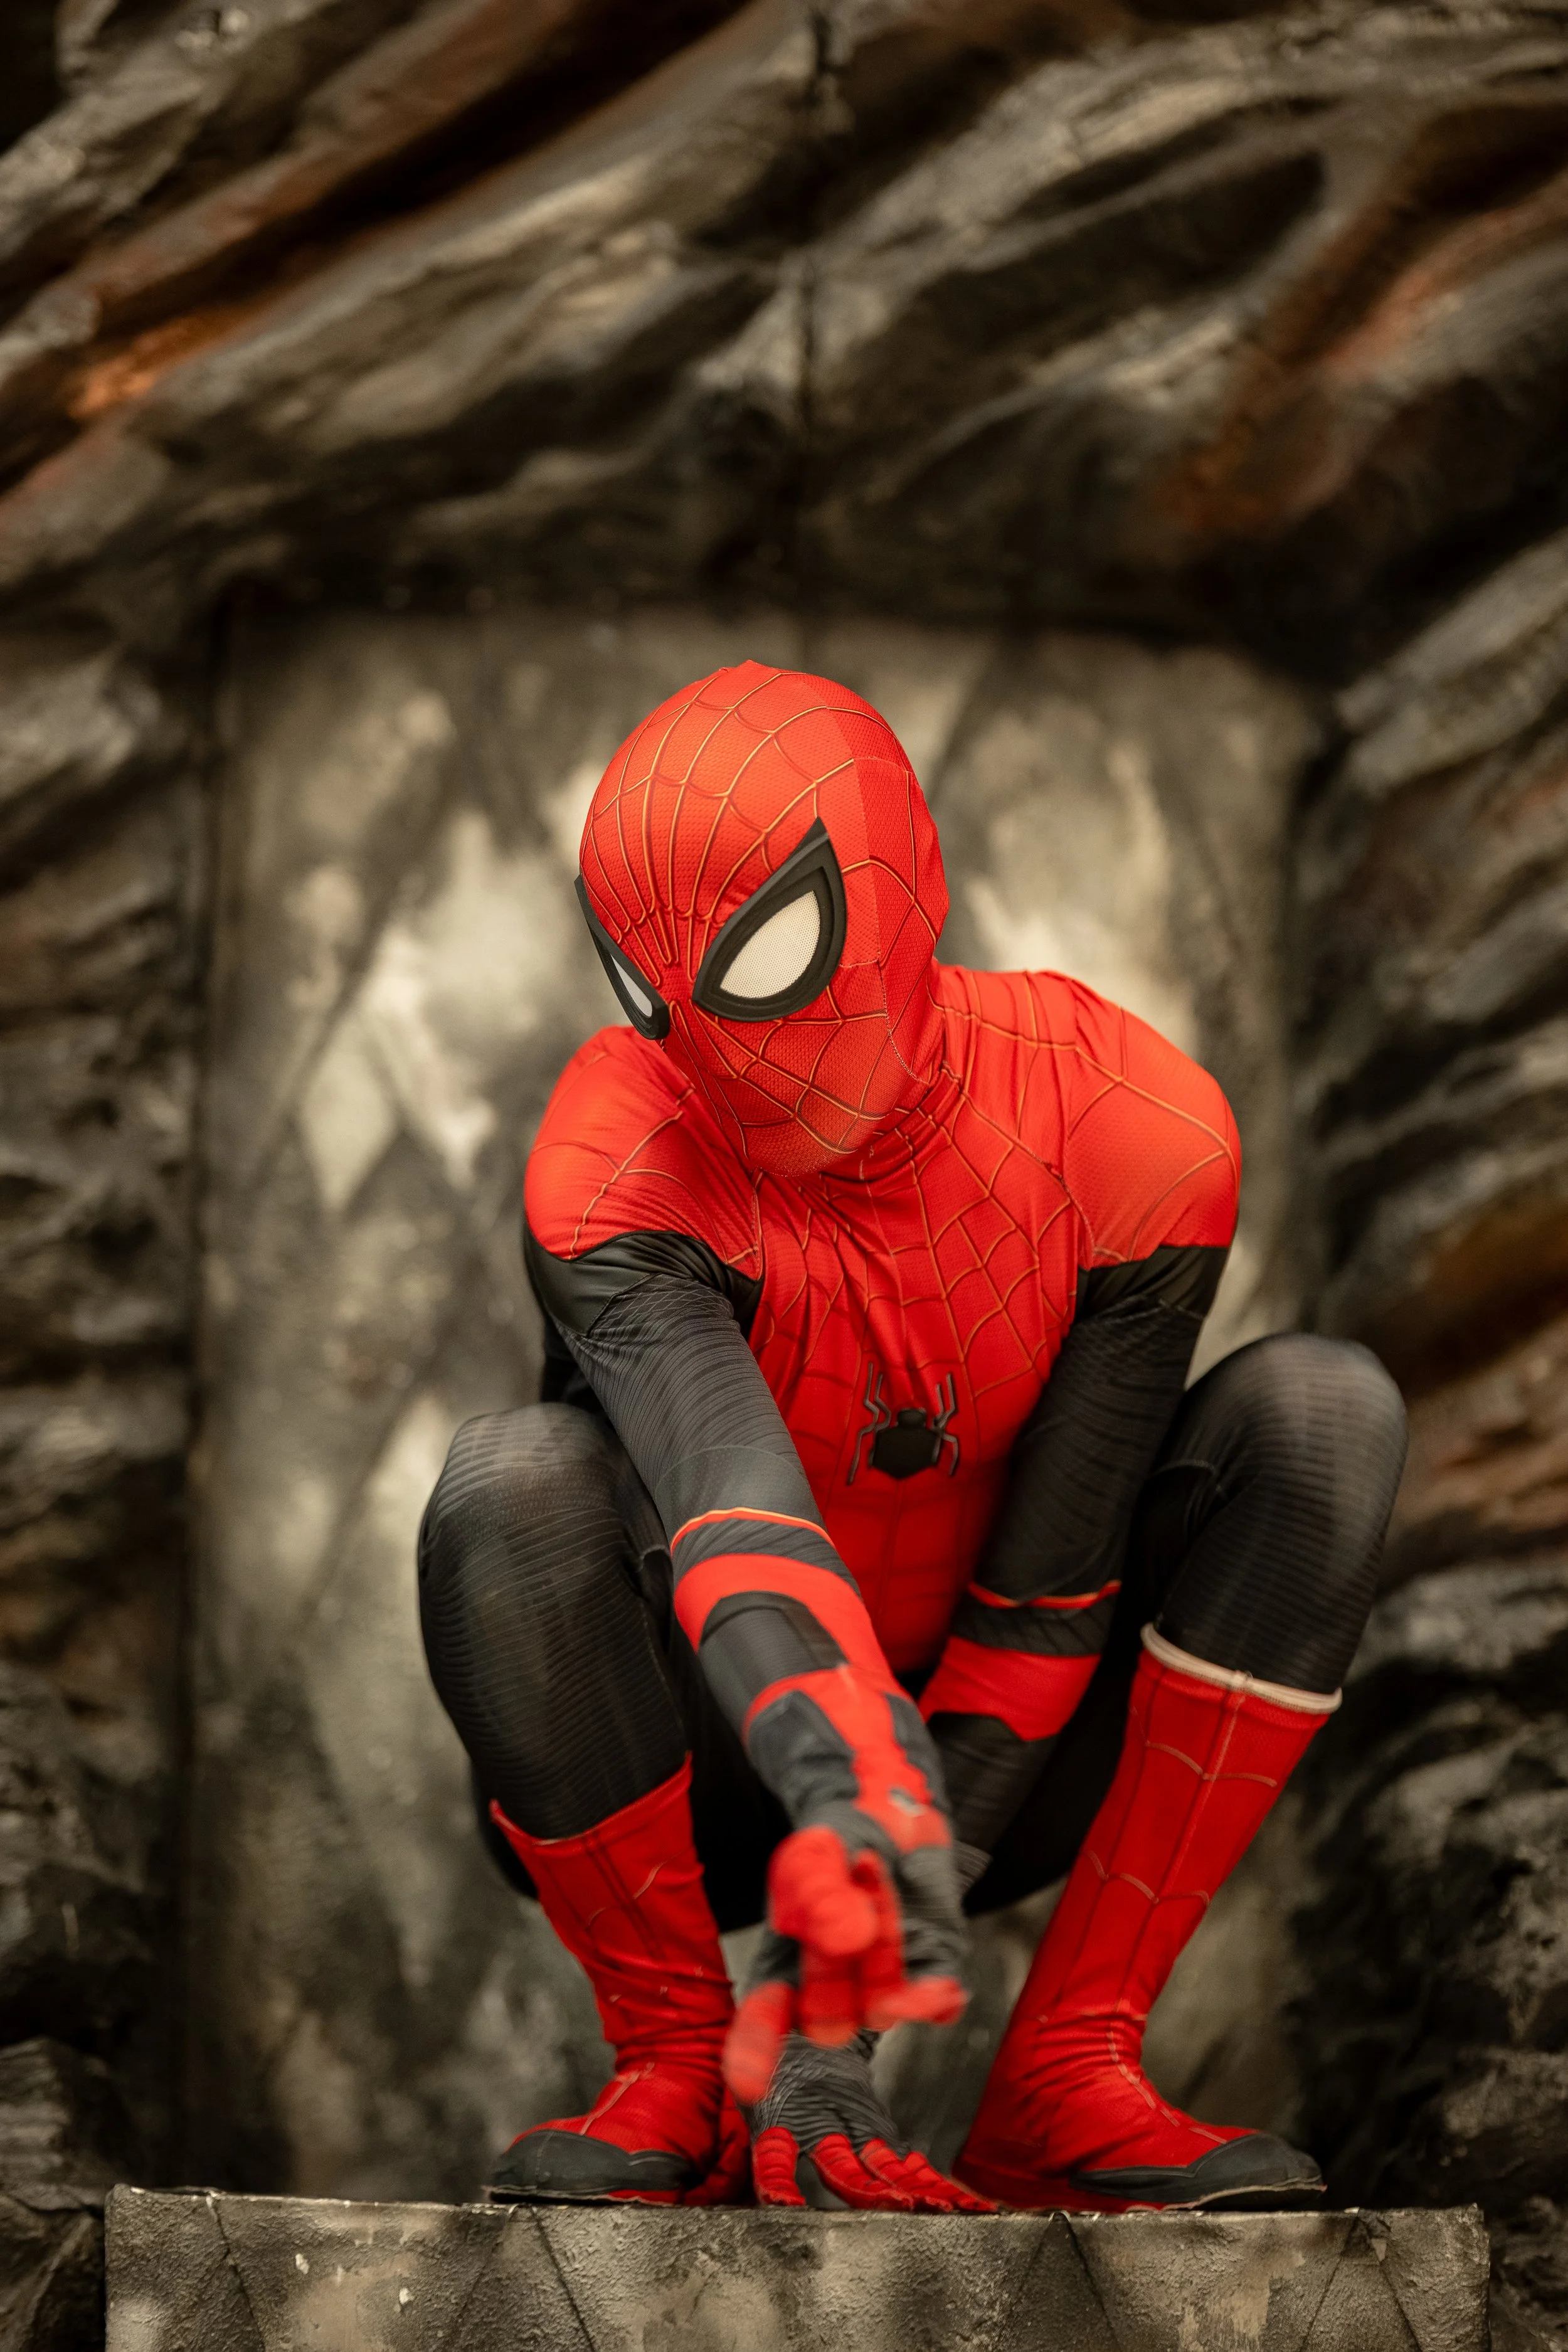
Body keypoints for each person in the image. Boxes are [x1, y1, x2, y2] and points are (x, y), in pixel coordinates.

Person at [416, 662, 1407, 2214]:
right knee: (515, 1488)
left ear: (897, 888)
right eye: (654, 988)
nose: (719, 1052)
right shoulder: (618, 1144)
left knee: (1321, 1418)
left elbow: (1048, 1589)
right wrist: (803, 1944)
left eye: (770, 953)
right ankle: (674, 2061)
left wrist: (833, 2012)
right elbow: (734, 1513)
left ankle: (1068, 2066)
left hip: (1001, 1753)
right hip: (698, 1759)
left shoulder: (1125, 1127)